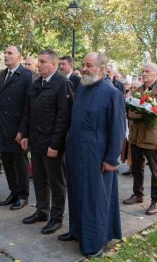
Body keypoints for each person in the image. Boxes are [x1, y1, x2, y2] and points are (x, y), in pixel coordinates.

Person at [58, 52, 126, 258]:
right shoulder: (82, 87)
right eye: (83, 65)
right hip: (77, 151)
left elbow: (118, 129)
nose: (84, 68)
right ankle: (77, 230)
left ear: (103, 69)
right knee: (77, 193)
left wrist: (112, 160)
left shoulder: (111, 93)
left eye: (89, 65)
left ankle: (95, 241)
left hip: (96, 155)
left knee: (95, 198)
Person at [20, 49, 70, 235]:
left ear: (53, 65)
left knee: (56, 182)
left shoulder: (62, 83)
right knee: (39, 179)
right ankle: (42, 211)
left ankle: (56, 218)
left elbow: (63, 117)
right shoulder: (36, 83)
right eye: (38, 61)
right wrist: (24, 134)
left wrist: (55, 144)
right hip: (36, 141)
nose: (38, 65)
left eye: (42, 61)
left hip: (52, 145)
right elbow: (28, 111)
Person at [123, 63, 157, 215]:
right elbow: (130, 111)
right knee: (137, 168)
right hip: (136, 136)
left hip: (153, 138)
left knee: (156, 172)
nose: (144, 74)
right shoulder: (138, 90)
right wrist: (132, 114)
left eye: (147, 71)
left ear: (156, 74)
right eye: (142, 71)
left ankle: (155, 201)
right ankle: (138, 194)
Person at [0, 45, 33, 210]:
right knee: (7, 161)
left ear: (19, 57)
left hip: (16, 128)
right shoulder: (2, 74)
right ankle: (13, 192)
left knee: (20, 162)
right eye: (5, 52)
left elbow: (27, 107)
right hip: (2, 126)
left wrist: (22, 131)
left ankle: (23, 195)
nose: (5, 55)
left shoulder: (26, 76)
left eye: (10, 53)